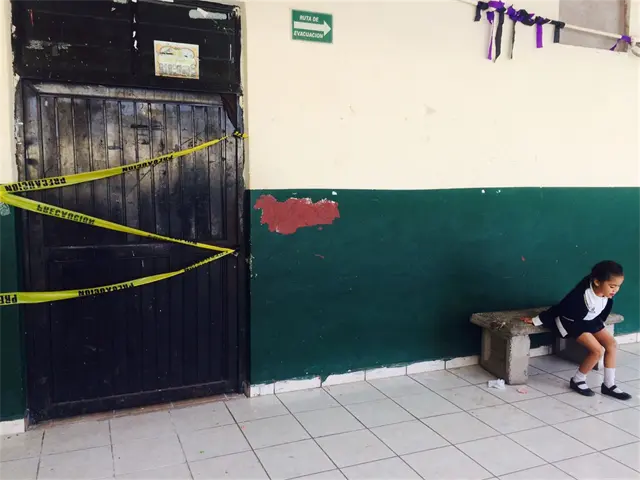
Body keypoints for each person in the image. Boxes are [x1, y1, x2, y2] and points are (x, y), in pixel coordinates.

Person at [522, 261, 631, 400]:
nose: (615, 290)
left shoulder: (608, 297)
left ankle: (609, 385)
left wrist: (599, 327)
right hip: (573, 322)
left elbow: (601, 314)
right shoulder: (580, 296)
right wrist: (537, 320)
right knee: (597, 351)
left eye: (618, 286)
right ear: (597, 282)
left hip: (590, 321)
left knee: (612, 344)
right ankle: (578, 380)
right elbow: (560, 308)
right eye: (612, 286)